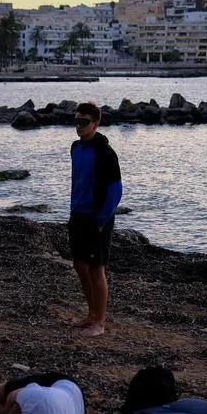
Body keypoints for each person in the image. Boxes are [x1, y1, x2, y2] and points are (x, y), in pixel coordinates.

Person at [68, 102, 122, 337]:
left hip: (97, 217)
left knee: (96, 268)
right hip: (77, 214)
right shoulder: (75, 148)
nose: (79, 126)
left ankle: (99, 322)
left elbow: (116, 190)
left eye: (84, 122)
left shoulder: (105, 153)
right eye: (76, 121)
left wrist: (101, 219)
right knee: (79, 265)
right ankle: (91, 314)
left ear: (95, 124)